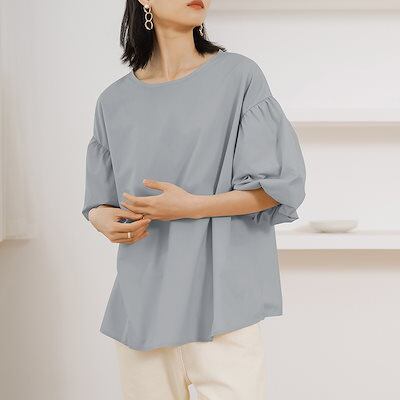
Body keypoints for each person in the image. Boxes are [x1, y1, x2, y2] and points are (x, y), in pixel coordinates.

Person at [82, 0, 306, 398]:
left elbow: (275, 188)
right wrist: (100, 217)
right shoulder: (112, 102)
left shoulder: (239, 77)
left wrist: (191, 206)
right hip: (143, 309)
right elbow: (99, 201)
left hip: (222, 310)